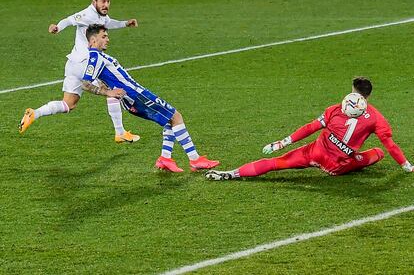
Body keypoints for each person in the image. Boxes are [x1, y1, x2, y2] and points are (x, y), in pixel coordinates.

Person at [206, 77, 414, 180]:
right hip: (337, 166)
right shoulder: (377, 119)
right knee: (377, 153)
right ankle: (357, 161)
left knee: (275, 163)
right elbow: (390, 146)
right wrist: (407, 166)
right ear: (368, 97)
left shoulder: (334, 109)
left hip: (313, 152)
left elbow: (310, 127)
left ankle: (231, 174)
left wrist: (282, 142)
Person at [81, 24, 220, 172]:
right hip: (137, 96)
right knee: (176, 116)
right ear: (93, 40)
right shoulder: (95, 56)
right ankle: (195, 159)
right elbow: (85, 83)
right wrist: (108, 93)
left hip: (133, 97)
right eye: (104, 37)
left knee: (168, 120)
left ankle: (165, 158)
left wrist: (109, 88)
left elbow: (102, 78)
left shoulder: (99, 56)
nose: (108, 39)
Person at [19, 0, 139, 143]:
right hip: (86, 64)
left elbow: (109, 23)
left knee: (68, 104)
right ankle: (120, 132)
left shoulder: (102, 17)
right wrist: (57, 27)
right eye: (103, 1)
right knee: (112, 90)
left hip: (72, 64)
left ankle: (34, 113)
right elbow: (69, 20)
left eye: (108, 1)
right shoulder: (87, 14)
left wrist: (125, 23)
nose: (106, 4)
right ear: (94, 2)